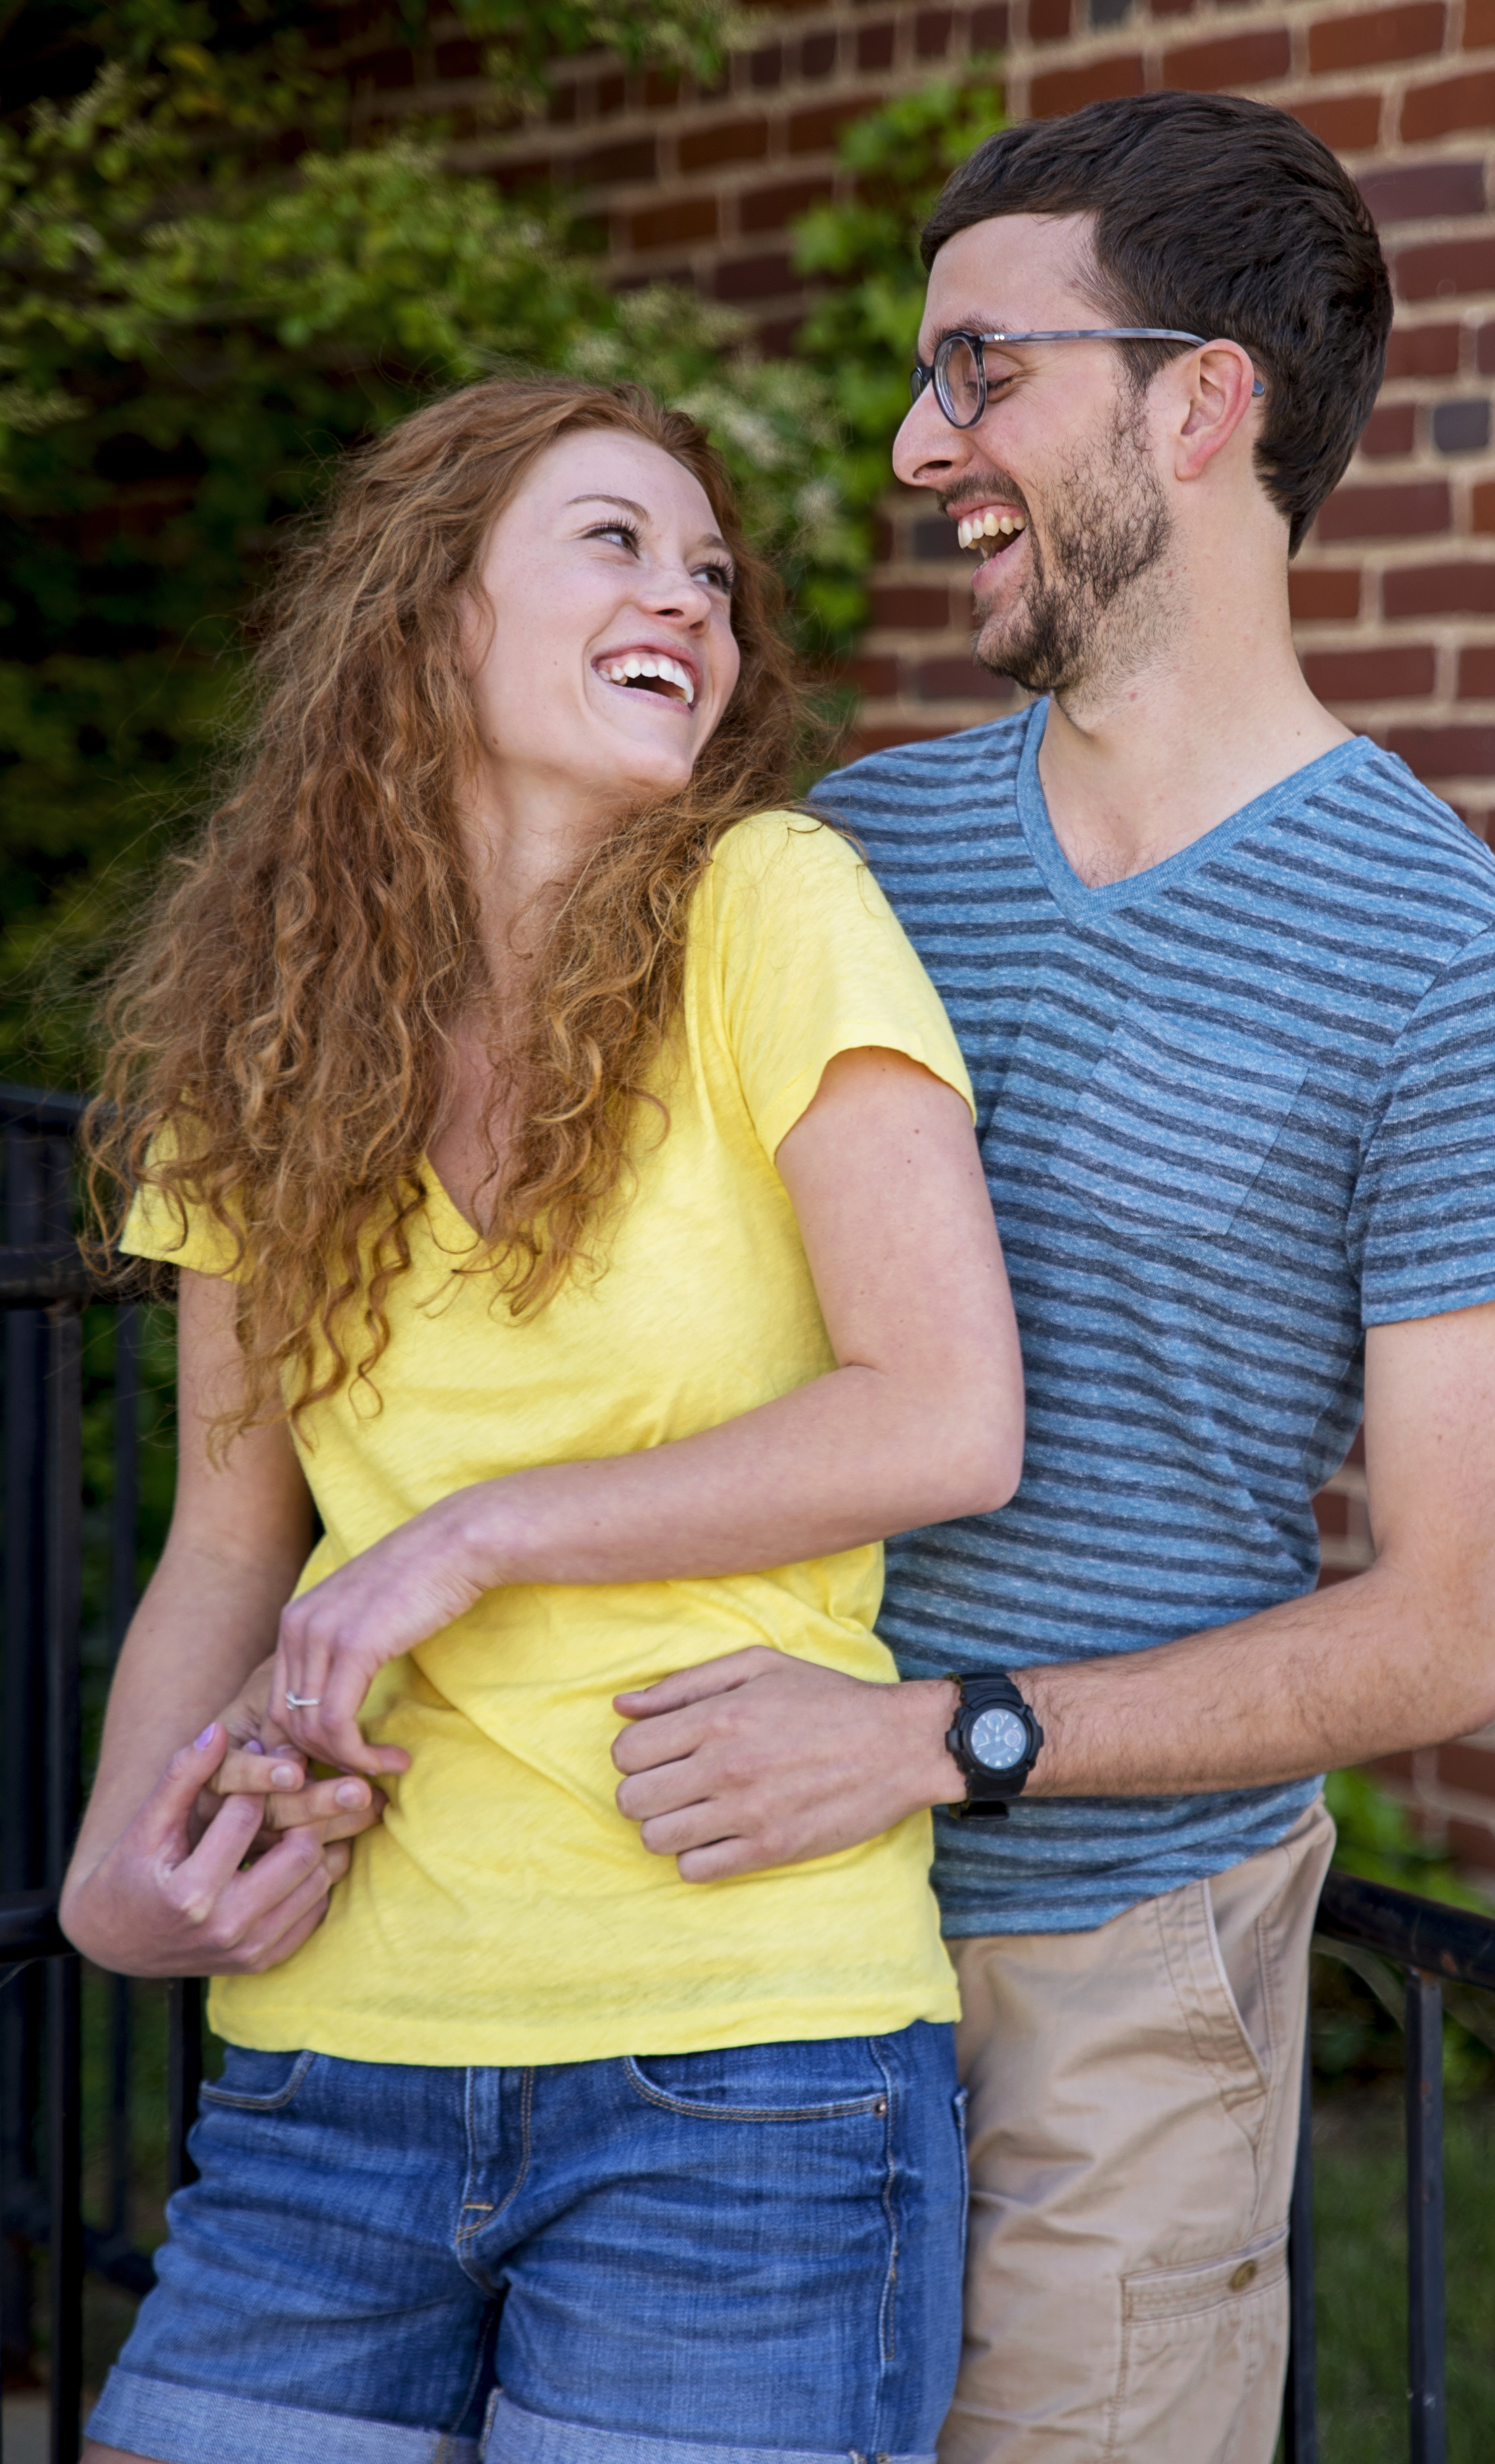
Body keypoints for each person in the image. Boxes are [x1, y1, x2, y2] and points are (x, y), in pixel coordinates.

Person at [601, 93, 1495, 2464]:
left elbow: (1451, 1625)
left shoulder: (1443, 953)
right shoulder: (847, 852)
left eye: (980, 371)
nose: (910, 438)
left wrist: (942, 1740)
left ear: (1199, 399)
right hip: (728, 1923)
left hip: (1119, 1968)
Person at [60, 375, 1024, 2464]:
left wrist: (470, 1533)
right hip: (332, 2050)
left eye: (710, 572)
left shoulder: (768, 905)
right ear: (430, 616)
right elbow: (229, 1539)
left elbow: (946, 1415)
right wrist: (114, 1880)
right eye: (613, 540)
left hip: (739, 2051)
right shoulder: (260, 1034)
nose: (685, 593)